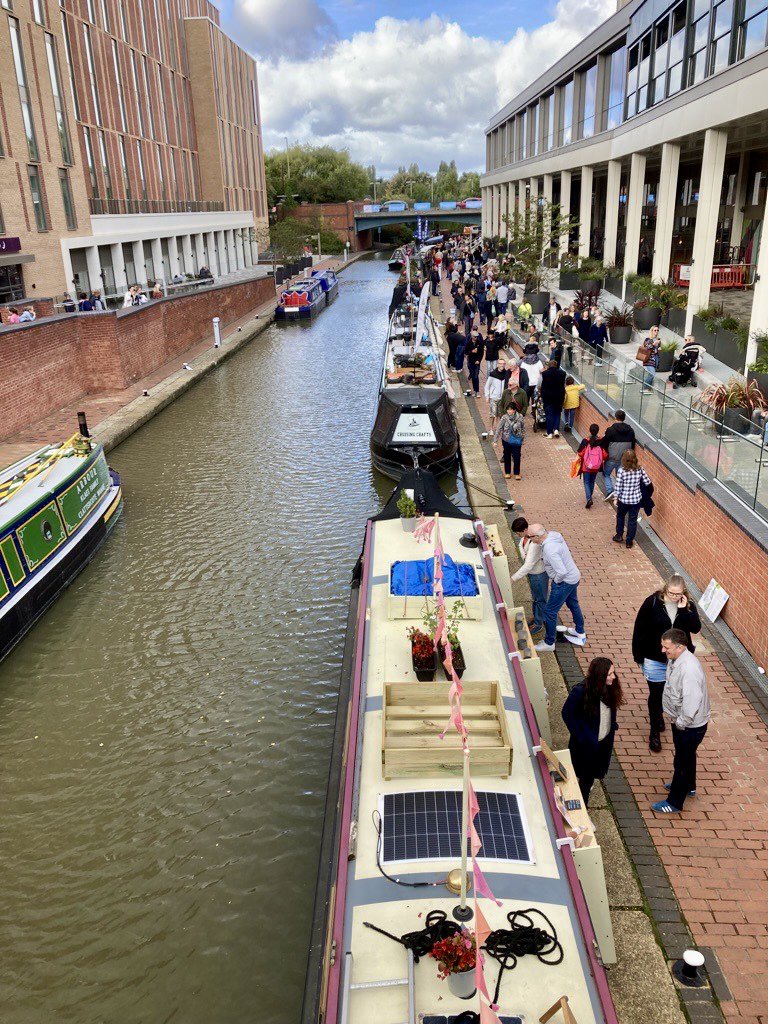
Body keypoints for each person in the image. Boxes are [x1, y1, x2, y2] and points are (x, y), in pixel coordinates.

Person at [632, 575, 702, 752]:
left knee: (672, 693)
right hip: (654, 659)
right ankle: (654, 731)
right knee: (656, 695)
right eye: (671, 592)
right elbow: (639, 628)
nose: (674, 596)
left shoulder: (688, 605)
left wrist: (684, 610)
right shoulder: (652, 603)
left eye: (678, 593)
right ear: (665, 589)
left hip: (678, 660)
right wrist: (638, 656)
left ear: (683, 592)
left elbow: (695, 628)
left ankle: (660, 716)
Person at [652, 628, 710, 814]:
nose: (663, 650)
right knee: (687, 755)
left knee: (682, 762)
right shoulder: (675, 658)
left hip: (689, 725)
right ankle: (689, 786)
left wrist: (681, 722)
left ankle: (675, 801)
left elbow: (692, 700)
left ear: (680, 647)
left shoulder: (689, 669)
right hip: (684, 721)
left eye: (666, 647)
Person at [562, 657, 624, 805]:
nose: (613, 677)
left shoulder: (610, 688)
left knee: (592, 773)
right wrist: (581, 735)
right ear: (600, 676)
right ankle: (583, 810)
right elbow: (567, 713)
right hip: (587, 744)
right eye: (609, 674)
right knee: (586, 778)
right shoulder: (581, 691)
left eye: (613, 673)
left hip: (603, 742)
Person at [529, 524, 587, 651]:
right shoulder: (554, 535)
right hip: (574, 576)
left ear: (537, 536)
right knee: (573, 604)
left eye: (530, 537)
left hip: (564, 582)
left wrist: (555, 582)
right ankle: (580, 631)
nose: (529, 539)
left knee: (550, 612)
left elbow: (561, 571)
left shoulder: (549, 549)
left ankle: (549, 643)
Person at [511, 517, 549, 635]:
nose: (518, 535)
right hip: (533, 574)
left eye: (519, 532)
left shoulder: (535, 544)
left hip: (538, 574)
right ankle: (537, 617)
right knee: (536, 598)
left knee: (540, 599)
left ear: (525, 529)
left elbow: (528, 565)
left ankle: (539, 623)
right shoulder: (526, 537)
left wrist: (513, 578)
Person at [612, 449, 651, 549]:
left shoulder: (621, 471)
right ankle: (629, 541)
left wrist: (615, 498)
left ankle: (619, 535)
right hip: (636, 500)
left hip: (623, 500)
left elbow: (618, 486)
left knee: (620, 516)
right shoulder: (640, 469)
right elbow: (647, 482)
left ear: (624, 459)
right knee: (632, 520)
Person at [601, 410, 636, 500]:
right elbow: (633, 445)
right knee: (620, 477)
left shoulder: (610, 430)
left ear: (615, 418)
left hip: (611, 458)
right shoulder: (630, 430)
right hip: (624, 459)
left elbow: (604, 443)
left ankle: (610, 490)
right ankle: (619, 493)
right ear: (624, 418)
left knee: (606, 474)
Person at [577, 424, 607, 509]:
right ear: (598, 431)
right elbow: (605, 454)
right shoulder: (601, 441)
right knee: (592, 481)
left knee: (586, 482)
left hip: (586, 466)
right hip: (596, 466)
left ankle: (589, 498)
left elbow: (580, 453)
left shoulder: (585, 441)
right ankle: (590, 496)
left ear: (590, 431)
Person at [494, 401, 525, 479]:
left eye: (510, 409)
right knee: (507, 455)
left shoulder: (520, 417)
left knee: (517, 456)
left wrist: (522, 438)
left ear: (514, 410)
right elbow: (499, 428)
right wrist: (495, 440)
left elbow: (523, 428)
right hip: (506, 439)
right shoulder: (504, 417)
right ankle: (507, 472)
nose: (509, 411)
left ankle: (517, 473)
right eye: (508, 409)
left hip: (517, 439)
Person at [540, 359, 567, 438]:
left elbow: (542, 386)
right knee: (557, 413)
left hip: (548, 398)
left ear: (549, 365)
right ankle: (556, 430)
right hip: (559, 397)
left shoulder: (545, 374)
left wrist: (542, 395)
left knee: (549, 415)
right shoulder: (563, 373)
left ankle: (549, 432)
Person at [485, 363, 507, 432]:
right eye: (500, 364)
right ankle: (491, 429)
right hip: (494, 397)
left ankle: (498, 428)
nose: (502, 365)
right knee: (493, 414)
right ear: (497, 365)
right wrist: (487, 396)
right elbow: (487, 386)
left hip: (502, 398)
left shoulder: (506, 374)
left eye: (503, 364)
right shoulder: (493, 374)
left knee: (500, 414)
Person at [465, 330, 485, 397]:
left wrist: (479, 360)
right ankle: (474, 390)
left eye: (477, 337)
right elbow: (466, 352)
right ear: (472, 336)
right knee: (473, 376)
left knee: (476, 376)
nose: (476, 338)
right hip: (471, 361)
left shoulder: (480, 343)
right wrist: (472, 351)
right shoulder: (468, 343)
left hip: (477, 362)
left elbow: (481, 353)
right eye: (475, 337)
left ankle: (477, 391)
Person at [641, 325, 661, 391]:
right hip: (649, 360)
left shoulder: (658, 340)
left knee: (651, 374)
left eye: (657, 330)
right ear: (651, 331)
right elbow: (646, 347)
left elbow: (657, 349)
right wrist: (653, 344)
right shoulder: (648, 339)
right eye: (655, 330)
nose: (656, 332)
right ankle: (644, 388)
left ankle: (648, 389)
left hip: (655, 360)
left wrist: (659, 347)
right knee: (652, 374)